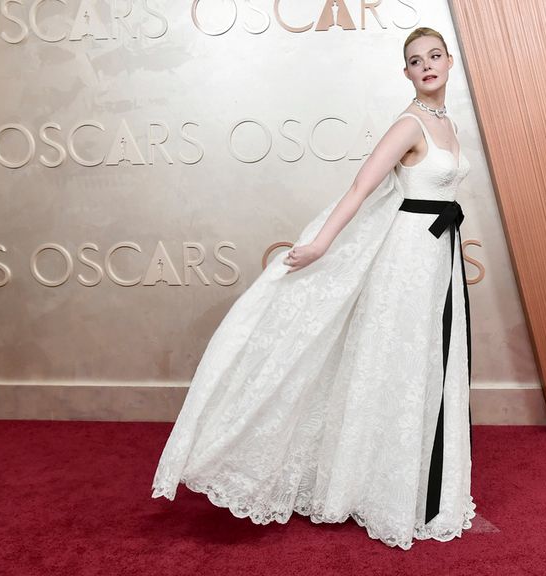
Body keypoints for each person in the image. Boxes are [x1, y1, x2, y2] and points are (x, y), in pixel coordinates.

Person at [152, 26, 476, 550]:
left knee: (423, 367)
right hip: (407, 260)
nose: (427, 66)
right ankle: (377, 491)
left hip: (437, 257)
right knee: (397, 365)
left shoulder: (448, 123)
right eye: (416, 61)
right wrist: (322, 244)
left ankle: (411, 487)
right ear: (407, 73)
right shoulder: (409, 123)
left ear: (449, 62)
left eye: (434, 56)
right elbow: (359, 187)